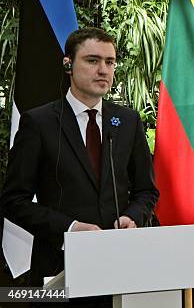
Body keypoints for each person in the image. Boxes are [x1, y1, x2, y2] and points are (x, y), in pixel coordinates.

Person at [0, 28, 159, 293]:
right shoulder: (39, 123)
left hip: (120, 264)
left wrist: (133, 216)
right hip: (57, 267)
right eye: (93, 60)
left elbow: (146, 190)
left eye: (110, 62)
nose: (103, 70)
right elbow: (13, 200)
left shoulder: (127, 122)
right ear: (68, 65)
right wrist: (70, 229)